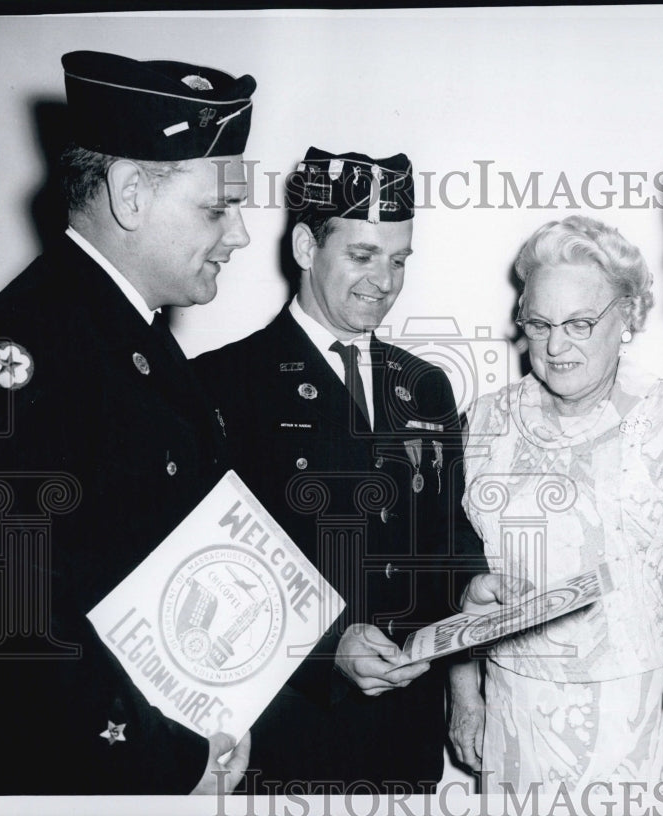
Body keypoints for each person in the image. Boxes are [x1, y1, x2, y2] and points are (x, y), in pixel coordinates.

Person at [0, 50, 256, 794]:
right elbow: (15, 627)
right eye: (216, 208)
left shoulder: (129, 333)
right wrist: (170, 761)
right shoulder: (20, 355)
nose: (238, 235)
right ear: (130, 196)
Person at [193, 147, 487, 793]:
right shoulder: (222, 383)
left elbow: (447, 530)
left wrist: (472, 589)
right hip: (286, 738)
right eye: (362, 255)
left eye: (399, 259)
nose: (384, 280)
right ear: (305, 246)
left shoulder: (426, 385)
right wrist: (327, 647)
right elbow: (211, 569)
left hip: (405, 740)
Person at [448, 215, 663, 792]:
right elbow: (457, 568)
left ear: (628, 316)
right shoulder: (485, 421)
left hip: (638, 718)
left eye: (579, 323)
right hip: (514, 711)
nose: (555, 345)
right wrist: (463, 692)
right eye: (540, 323)